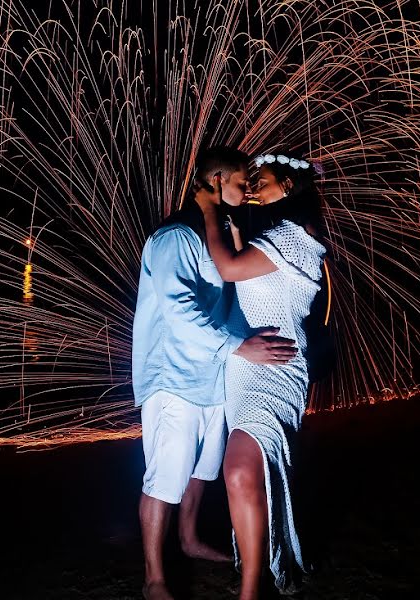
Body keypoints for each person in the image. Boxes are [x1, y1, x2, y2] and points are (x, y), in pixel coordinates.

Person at [131, 146, 299, 600]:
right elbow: (179, 309)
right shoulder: (174, 238)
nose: (247, 193)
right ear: (216, 180)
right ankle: (154, 579)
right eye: (242, 184)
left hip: (214, 377)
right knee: (166, 474)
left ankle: (188, 540)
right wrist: (240, 346)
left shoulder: (219, 231)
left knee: (202, 469)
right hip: (174, 377)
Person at [195, 150, 327, 598]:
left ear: (287, 186)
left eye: (262, 179)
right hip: (249, 365)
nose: (252, 186)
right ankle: (254, 578)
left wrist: (210, 211)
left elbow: (229, 268)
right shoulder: (277, 233)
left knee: (238, 470)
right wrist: (232, 223)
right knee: (245, 472)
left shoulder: (293, 235)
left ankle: (252, 588)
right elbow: (241, 266)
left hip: (276, 366)